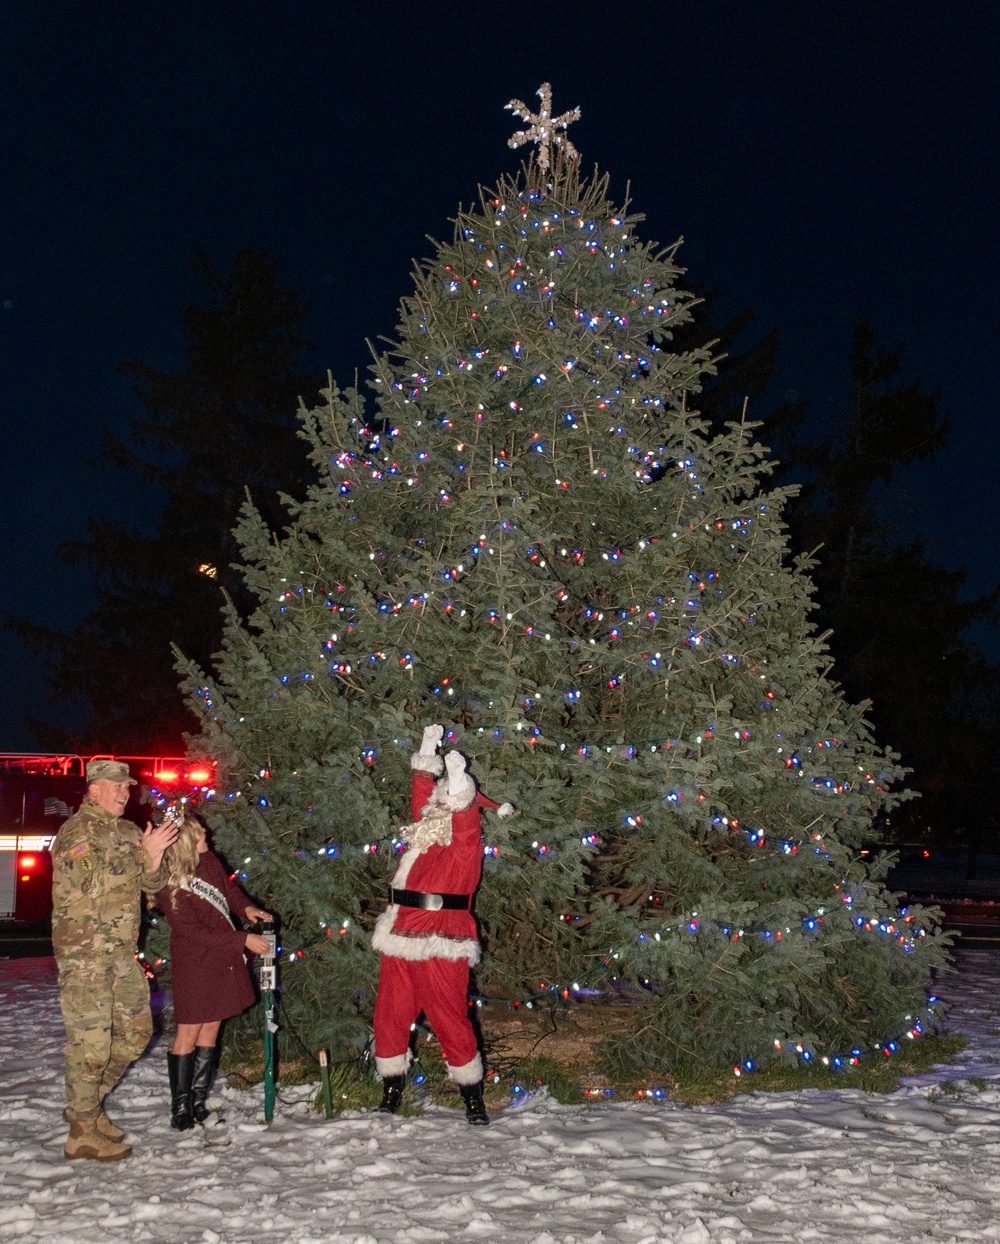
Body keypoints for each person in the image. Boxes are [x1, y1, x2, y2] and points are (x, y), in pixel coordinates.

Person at [371, 724, 512, 1124]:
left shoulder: (465, 847)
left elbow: (466, 814)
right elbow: (421, 797)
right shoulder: (424, 835)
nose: (434, 806)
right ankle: (391, 1091)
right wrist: (427, 748)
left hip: (441, 940)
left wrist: (456, 779)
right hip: (398, 936)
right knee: (390, 1013)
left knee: (449, 1015)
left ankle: (473, 1099)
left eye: (445, 801)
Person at [51, 758, 180, 1162]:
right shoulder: (76, 832)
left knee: (137, 1032)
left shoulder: (126, 831)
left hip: (122, 953)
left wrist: (154, 861)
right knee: (91, 1044)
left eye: (128, 786)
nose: (126, 792)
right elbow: (93, 881)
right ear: (94, 791)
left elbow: (148, 885)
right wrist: (145, 854)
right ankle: (82, 1132)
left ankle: (84, 1109)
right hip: (85, 956)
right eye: (117, 786)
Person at [155, 815, 272, 1130]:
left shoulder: (208, 860)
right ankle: (180, 1109)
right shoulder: (169, 885)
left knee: (211, 1029)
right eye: (198, 832)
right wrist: (242, 939)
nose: (205, 831)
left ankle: (197, 1101)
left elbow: (228, 892)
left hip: (222, 958)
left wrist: (246, 908)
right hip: (195, 963)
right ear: (184, 842)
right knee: (188, 1033)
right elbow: (193, 933)